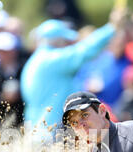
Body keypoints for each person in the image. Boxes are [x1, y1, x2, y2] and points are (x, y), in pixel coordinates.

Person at [21, 7, 126, 142]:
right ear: (57, 41)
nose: (69, 45)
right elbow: (84, 51)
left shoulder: (35, 61)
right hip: (50, 134)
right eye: (66, 41)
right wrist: (112, 27)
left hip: (36, 132)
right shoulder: (51, 60)